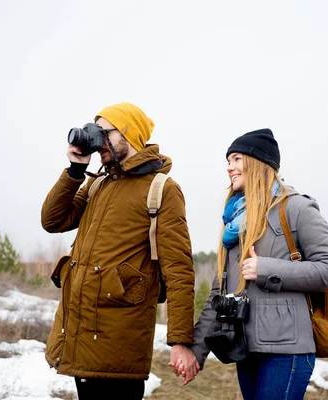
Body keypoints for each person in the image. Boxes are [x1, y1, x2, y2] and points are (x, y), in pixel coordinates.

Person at [41, 102, 196, 399]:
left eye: (104, 132)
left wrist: (180, 340)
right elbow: (52, 220)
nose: (97, 141)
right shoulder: (98, 183)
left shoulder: (162, 188)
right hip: (80, 333)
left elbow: (179, 270)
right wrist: (75, 170)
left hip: (119, 342)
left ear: (129, 132)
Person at [174, 129, 328, 399]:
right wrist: (196, 352)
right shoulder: (234, 222)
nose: (229, 168)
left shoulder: (296, 209)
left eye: (236, 159)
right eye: (228, 161)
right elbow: (219, 294)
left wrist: (267, 269)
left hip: (288, 352)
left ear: (258, 162)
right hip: (245, 349)